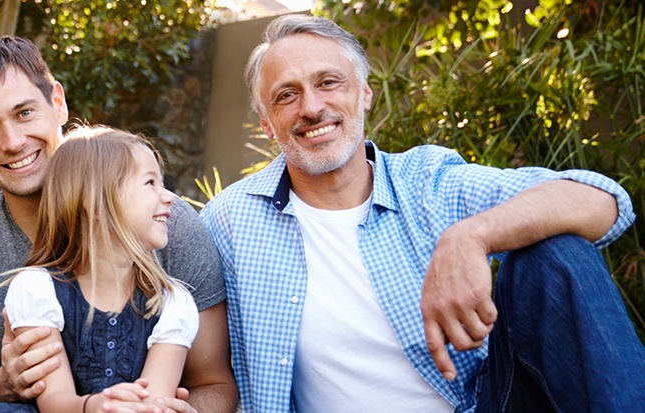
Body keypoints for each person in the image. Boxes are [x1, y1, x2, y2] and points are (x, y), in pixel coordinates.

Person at [200, 14, 645, 412]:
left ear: (365, 94)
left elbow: (603, 201)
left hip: (486, 403)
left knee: (553, 254)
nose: (312, 107)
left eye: (329, 82)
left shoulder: (429, 182)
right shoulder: (228, 223)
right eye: (286, 95)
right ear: (265, 122)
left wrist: (472, 236)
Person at [0, 34, 237, 413]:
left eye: (24, 113)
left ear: (57, 103)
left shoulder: (166, 225)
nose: (13, 141)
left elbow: (215, 386)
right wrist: (3, 383)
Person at [3, 127, 200, 413]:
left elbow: (153, 403)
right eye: (150, 183)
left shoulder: (172, 304)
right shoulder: (37, 290)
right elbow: (53, 402)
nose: (168, 196)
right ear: (96, 203)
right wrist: (93, 407)